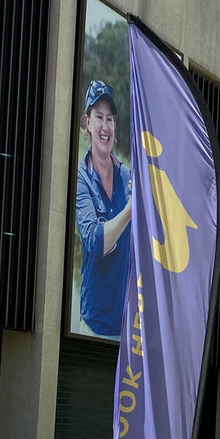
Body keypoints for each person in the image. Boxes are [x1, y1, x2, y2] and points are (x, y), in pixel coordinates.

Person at [76, 79, 132, 339]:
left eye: (110, 119)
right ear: (88, 123)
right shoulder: (80, 178)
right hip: (94, 328)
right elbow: (94, 242)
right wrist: (129, 212)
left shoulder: (129, 177)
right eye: (99, 117)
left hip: (130, 330)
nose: (105, 126)